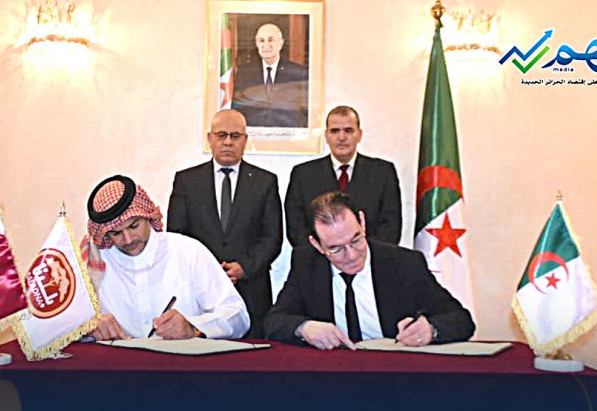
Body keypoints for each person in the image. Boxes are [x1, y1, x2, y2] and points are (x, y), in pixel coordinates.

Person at [265, 192, 474, 350]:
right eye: (336, 249)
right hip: (333, 372)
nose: (351, 255)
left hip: (394, 371)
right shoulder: (307, 264)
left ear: (362, 223)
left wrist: (431, 329)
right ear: (317, 245)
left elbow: (461, 320)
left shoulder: (404, 263)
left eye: (356, 240)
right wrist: (304, 328)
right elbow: (274, 321)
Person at [84, 174, 250, 340]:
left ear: (148, 216)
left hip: (183, 355)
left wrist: (193, 327)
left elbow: (237, 316)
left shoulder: (187, 251)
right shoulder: (94, 263)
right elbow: (70, 323)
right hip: (119, 356)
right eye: (116, 233)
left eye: (134, 226)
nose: (128, 240)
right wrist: (88, 327)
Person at [167, 110, 282, 338]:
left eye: (235, 136)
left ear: (245, 140)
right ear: (210, 139)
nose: (228, 142)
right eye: (221, 135)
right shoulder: (187, 181)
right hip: (201, 291)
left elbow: (272, 237)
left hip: (251, 289)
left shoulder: (265, 182)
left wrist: (244, 267)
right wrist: (210, 269)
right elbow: (177, 235)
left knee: (254, 357)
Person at [284, 105, 401, 248]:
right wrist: (326, 252)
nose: (341, 137)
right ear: (326, 136)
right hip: (317, 258)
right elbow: (296, 227)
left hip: (370, 259)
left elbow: (391, 226)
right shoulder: (303, 174)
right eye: (335, 131)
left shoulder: (383, 172)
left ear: (359, 135)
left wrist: (362, 254)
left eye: (348, 130)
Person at [232, 22, 308, 128]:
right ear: (257, 44)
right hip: (254, 133)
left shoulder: (298, 72)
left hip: (287, 133)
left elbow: (304, 111)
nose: (266, 45)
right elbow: (238, 108)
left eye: (271, 40)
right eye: (261, 41)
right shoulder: (245, 72)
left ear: (281, 43)